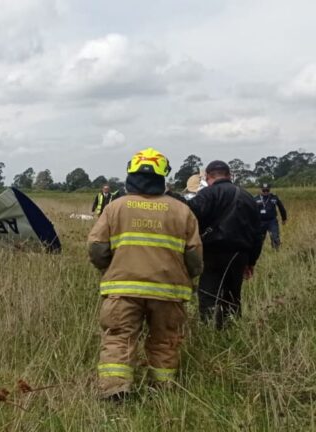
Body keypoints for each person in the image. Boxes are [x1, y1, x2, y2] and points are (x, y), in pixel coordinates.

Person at [88, 148, 203, 400]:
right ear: (163, 176)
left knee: (118, 338)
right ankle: (162, 390)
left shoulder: (115, 207)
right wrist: (189, 277)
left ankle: (115, 391)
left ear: (131, 174)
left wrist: (110, 268)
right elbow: (194, 256)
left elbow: (97, 248)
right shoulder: (181, 211)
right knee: (165, 340)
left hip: (122, 289)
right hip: (169, 290)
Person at [188, 160, 263, 330]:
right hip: (239, 254)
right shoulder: (247, 196)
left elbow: (191, 219)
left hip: (212, 253)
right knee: (233, 295)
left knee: (208, 293)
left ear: (208, 177)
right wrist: (251, 261)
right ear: (230, 175)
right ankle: (232, 330)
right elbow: (258, 233)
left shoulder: (206, 194)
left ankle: (210, 330)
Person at [255, 183, 288, 250]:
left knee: (275, 237)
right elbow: (250, 210)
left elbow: (281, 208)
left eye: (267, 190)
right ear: (260, 190)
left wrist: (284, 218)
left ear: (269, 190)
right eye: (264, 190)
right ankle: (258, 253)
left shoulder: (274, 197)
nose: (266, 192)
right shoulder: (255, 198)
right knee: (259, 239)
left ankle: (276, 252)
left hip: (272, 221)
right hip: (260, 222)